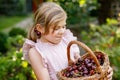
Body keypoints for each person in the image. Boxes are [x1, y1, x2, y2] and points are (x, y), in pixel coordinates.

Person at [22, 2, 113, 80]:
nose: (62, 31)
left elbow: (82, 66)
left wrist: (102, 72)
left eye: (63, 26)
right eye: (56, 28)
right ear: (40, 28)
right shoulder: (36, 52)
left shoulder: (66, 40)